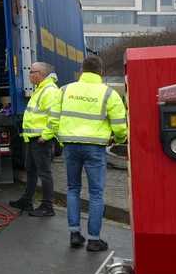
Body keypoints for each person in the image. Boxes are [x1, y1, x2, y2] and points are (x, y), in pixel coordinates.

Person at [52, 55, 127, 252]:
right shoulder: (109, 94)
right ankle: (94, 239)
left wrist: (61, 138)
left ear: (82, 70)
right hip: (95, 148)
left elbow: (53, 118)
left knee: (72, 189)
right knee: (96, 193)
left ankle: (74, 234)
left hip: (70, 146)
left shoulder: (65, 90)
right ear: (101, 72)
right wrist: (118, 140)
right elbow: (120, 126)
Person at [9, 62, 59, 217]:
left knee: (44, 173)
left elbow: (55, 116)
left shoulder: (49, 91)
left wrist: (46, 136)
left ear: (41, 74)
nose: (29, 75)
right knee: (30, 170)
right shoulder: (40, 89)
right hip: (32, 138)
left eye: (32, 72)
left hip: (41, 140)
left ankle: (47, 206)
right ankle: (27, 200)